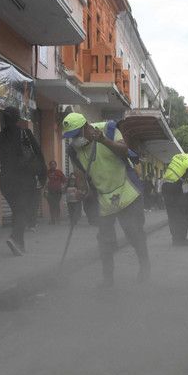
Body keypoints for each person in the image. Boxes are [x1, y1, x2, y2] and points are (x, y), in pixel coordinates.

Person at [62, 112, 149, 285]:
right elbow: (80, 175)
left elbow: (124, 150)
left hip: (127, 191)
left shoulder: (109, 129)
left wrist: (103, 140)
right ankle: (108, 278)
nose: (75, 140)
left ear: (86, 127)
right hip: (104, 199)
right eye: (72, 137)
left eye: (77, 135)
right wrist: (81, 191)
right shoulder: (73, 150)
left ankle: (145, 266)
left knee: (134, 232)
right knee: (104, 240)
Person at [0, 106, 47, 256]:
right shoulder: (25, 134)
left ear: (3, 119)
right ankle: (15, 238)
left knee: (17, 210)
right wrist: (42, 176)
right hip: (25, 179)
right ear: (18, 119)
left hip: (6, 180)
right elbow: (38, 155)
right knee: (23, 210)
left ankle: (19, 244)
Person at [45, 160, 66, 225]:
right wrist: (45, 191)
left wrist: (63, 187)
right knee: (51, 205)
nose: (52, 166)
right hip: (50, 192)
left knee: (56, 204)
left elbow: (64, 180)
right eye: (51, 164)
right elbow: (45, 182)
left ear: (56, 165)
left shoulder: (59, 172)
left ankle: (58, 219)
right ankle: (52, 220)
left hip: (58, 192)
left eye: (54, 164)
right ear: (49, 166)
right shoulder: (47, 173)